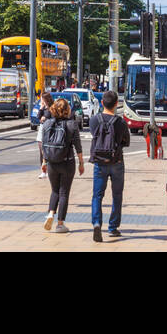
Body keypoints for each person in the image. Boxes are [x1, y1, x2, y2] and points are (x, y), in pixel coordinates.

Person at [90, 90, 131, 242]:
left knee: (97, 195)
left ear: (102, 103)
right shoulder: (120, 122)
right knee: (117, 195)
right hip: (117, 162)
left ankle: (96, 223)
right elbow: (126, 142)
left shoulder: (94, 120)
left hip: (99, 163)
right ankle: (113, 227)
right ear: (116, 104)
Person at [41, 96, 84, 232]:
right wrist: (81, 163)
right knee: (64, 192)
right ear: (67, 110)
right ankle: (60, 224)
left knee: (55, 191)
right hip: (67, 162)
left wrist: (44, 162)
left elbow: (44, 145)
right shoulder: (72, 124)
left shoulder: (47, 123)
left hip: (52, 162)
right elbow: (78, 146)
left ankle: (50, 213)